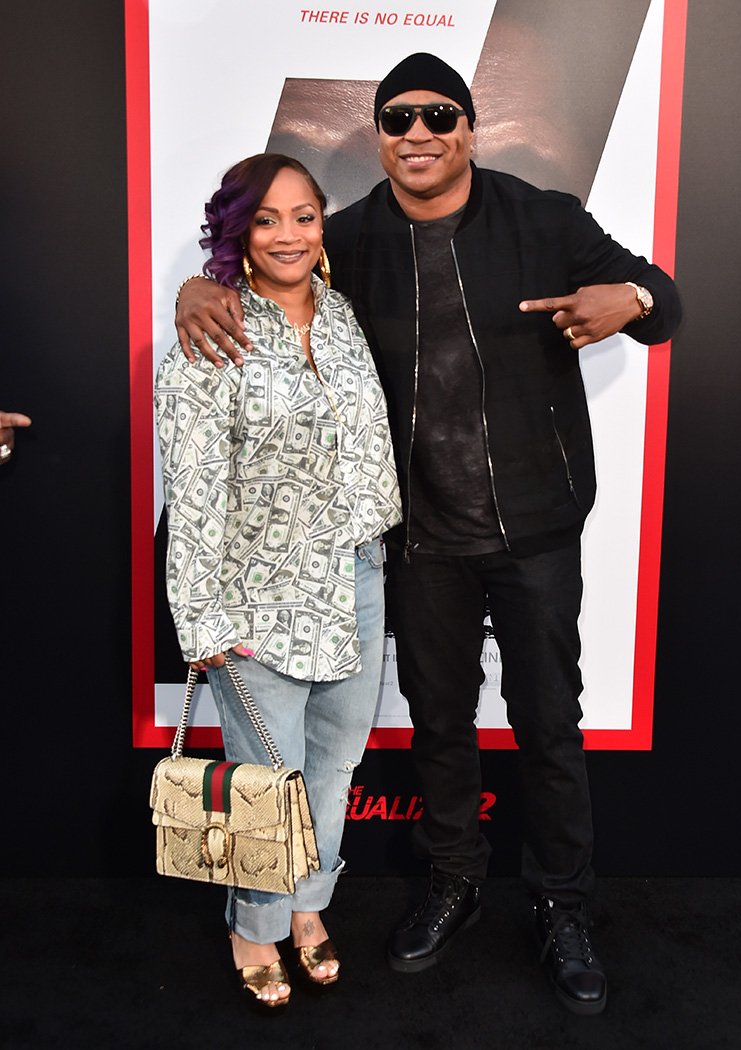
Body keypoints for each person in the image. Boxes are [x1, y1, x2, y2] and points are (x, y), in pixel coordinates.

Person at [174, 54, 682, 1015]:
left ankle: (562, 906)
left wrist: (641, 299)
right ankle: (454, 883)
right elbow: (266, 276)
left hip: (534, 531)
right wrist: (198, 290)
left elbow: (662, 301)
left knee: (549, 725)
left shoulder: (544, 217)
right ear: (379, 135)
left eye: (438, 114)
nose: (419, 131)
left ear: (467, 126)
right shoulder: (350, 240)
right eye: (398, 116)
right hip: (419, 543)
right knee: (441, 726)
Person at [155, 153, 401, 1009]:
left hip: (356, 580)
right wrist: (204, 623)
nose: (290, 235)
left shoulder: (339, 317)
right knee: (270, 782)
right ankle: (254, 927)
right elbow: (189, 492)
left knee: (334, 769)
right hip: (254, 599)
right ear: (238, 233)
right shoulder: (209, 331)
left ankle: (307, 908)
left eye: (304, 216)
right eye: (267, 220)